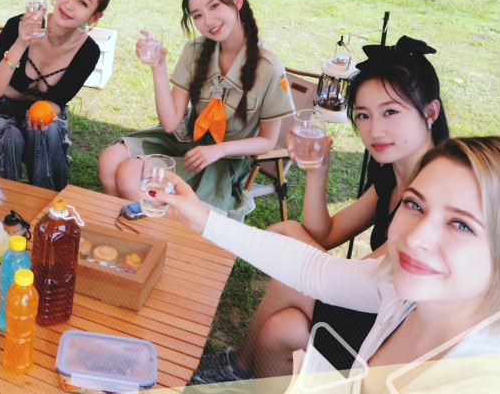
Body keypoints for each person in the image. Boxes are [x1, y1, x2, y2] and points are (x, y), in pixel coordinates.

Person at [160, 136, 500, 392]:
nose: (417, 237)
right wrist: (203, 220)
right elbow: (314, 271)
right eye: (415, 204)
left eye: (461, 224)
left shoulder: (496, 380)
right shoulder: (405, 292)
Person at [191, 36, 450, 384]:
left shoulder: (438, 188)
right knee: (282, 331)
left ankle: (236, 366)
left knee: (291, 247)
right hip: (372, 304)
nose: (375, 130)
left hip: (397, 334)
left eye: (391, 111)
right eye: (363, 115)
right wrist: (318, 172)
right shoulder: (393, 174)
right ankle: (241, 367)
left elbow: (356, 280)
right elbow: (324, 235)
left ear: (430, 112)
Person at [98, 0, 294, 222]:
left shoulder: (268, 67)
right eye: (198, 15)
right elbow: (170, 123)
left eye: (214, 6)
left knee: (129, 175)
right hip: (186, 139)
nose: (208, 21)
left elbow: (268, 141)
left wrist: (218, 151)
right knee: (109, 158)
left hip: (224, 157)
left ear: (237, 1)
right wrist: (158, 67)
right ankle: (124, 230)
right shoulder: (195, 50)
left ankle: (152, 237)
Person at [0, 0, 111, 191]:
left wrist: (45, 115)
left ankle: (47, 210)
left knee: (49, 131)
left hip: (37, 113)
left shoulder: (88, 52)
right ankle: (0, 207)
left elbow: (56, 102)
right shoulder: (18, 26)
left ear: (95, 16)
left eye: (83, 3)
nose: (69, 4)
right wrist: (20, 43)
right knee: (10, 137)